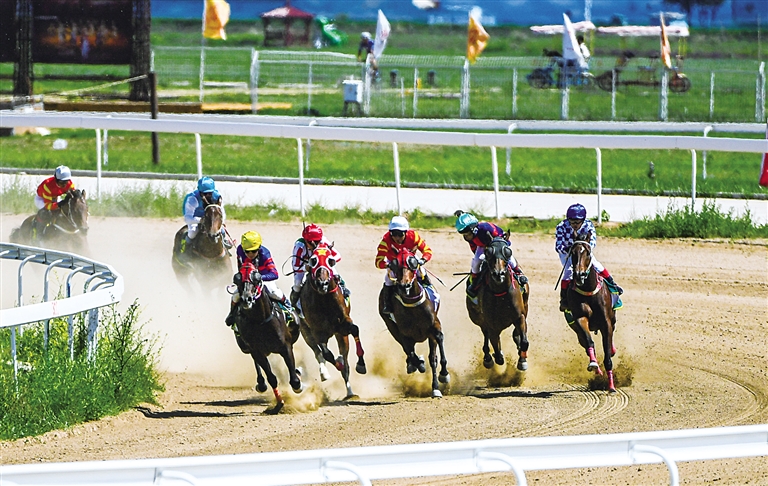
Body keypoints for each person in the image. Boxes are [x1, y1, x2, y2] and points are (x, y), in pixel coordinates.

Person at [555, 203, 623, 317]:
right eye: (572, 222)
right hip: (567, 253)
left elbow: (592, 243)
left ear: (583, 220)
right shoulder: (561, 226)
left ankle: (612, 285)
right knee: (569, 270)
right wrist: (571, 248)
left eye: (577, 222)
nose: (574, 225)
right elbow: (558, 246)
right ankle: (564, 299)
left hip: (584, 251)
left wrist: (584, 248)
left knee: (596, 265)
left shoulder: (589, 225)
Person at [454, 210, 528, 305]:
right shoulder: (468, 237)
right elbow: (473, 247)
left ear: (474, 229)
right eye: (464, 234)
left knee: (511, 260)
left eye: (468, 234)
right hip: (484, 247)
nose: (466, 236)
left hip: (499, 243)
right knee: (476, 261)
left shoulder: (486, 227)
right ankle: (475, 281)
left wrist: (496, 249)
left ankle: (519, 273)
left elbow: (500, 235)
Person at [225, 230, 293, 327]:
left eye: (254, 251)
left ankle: (288, 309)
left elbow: (274, 274)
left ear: (259, 247)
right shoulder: (239, 250)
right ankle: (232, 314)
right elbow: (240, 266)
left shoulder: (265, 254)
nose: (250, 254)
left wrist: (259, 277)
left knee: (274, 292)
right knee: (235, 296)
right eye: (247, 251)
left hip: (263, 279)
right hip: (248, 279)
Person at [375, 215, 434, 314]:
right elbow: (378, 261)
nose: (397, 238)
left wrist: (423, 260)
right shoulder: (385, 241)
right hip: (394, 262)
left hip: (410, 260)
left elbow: (427, 250)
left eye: (400, 234)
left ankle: (431, 293)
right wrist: (388, 265)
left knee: (422, 272)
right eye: (394, 234)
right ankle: (387, 303)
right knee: (388, 279)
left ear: (406, 232)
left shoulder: (414, 236)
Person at [289, 223, 349, 308]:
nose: (315, 244)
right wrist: (306, 267)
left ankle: (344, 294)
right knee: (297, 284)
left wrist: (327, 261)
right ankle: (294, 304)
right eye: (311, 242)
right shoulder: (299, 246)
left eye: (317, 241)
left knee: (336, 276)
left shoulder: (324, 241)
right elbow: (296, 266)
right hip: (305, 266)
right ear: (305, 240)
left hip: (323, 264)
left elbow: (338, 255)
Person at [180, 176, 231, 257]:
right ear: (200, 192)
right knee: (193, 232)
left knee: (222, 231)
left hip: (212, 217)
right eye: (204, 193)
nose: (207, 195)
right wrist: (200, 220)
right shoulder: (192, 199)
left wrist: (222, 222)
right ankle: (186, 248)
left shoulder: (217, 197)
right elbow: (187, 218)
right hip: (196, 218)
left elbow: (222, 212)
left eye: (210, 193)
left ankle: (226, 245)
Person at [33, 165, 75, 238]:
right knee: (46, 213)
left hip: (55, 197)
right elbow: (48, 205)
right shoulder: (47, 186)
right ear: (56, 180)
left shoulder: (69, 183)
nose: (64, 185)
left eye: (66, 182)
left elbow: (73, 195)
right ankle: (38, 234)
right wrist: (59, 204)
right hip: (42, 199)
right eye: (62, 183)